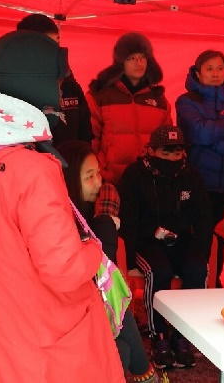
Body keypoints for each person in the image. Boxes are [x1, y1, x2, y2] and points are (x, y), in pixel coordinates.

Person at [0, 30, 124, 382]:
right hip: (31, 342)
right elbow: (64, 268)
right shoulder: (32, 169)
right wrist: (95, 248)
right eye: (56, 84)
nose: (61, 94)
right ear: (35, 86)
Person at [57, 140, 158, 383]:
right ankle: (147, 376)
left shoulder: (85, 212)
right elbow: (98, 269)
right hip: (70, 320)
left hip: (87, 311)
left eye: (98, 173)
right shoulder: (62, 221)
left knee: (122, 347)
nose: (98, 182)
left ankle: (146, 375)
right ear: (69, 179)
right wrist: (105, 223)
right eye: (89, 176)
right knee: (120, 343)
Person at [118, 125, 214, 369]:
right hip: (147, 242)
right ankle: (158, 336)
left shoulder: (191, 176)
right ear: (151, 150)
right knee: (158, 270)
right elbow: (128, 219)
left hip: (181, 241)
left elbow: (204, 218)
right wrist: (128, 260)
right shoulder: (135, 175)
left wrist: (201, 252)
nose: (172, 158)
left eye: (177, 153)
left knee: (197, 268)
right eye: (165, 152)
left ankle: (183, 335)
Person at [176, 49, 224, 287]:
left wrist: (221, 145)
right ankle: (196, 281)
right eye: (209, 68)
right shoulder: (187, 100)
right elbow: (199, 132)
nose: (215, 73)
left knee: (221, 237)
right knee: (198, 236)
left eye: (220, 68)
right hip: (197, 182)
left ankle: (214, 282)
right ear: (198, 72)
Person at [87, 32, 173, 185]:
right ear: (121, 63)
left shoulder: (159, 100)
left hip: (149, 181)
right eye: (132, 58)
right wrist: (97, 172)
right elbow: (90, 138)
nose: (139, 63)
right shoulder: (100, 96)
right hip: (111, 180)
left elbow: (166, 142)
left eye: (143, 57)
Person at [17, 13, 94, 146]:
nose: (54, 51)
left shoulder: (70, 86)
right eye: (47, 45)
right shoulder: (12, 88)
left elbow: (85, 135)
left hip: (69, 159)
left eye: (57, 43)